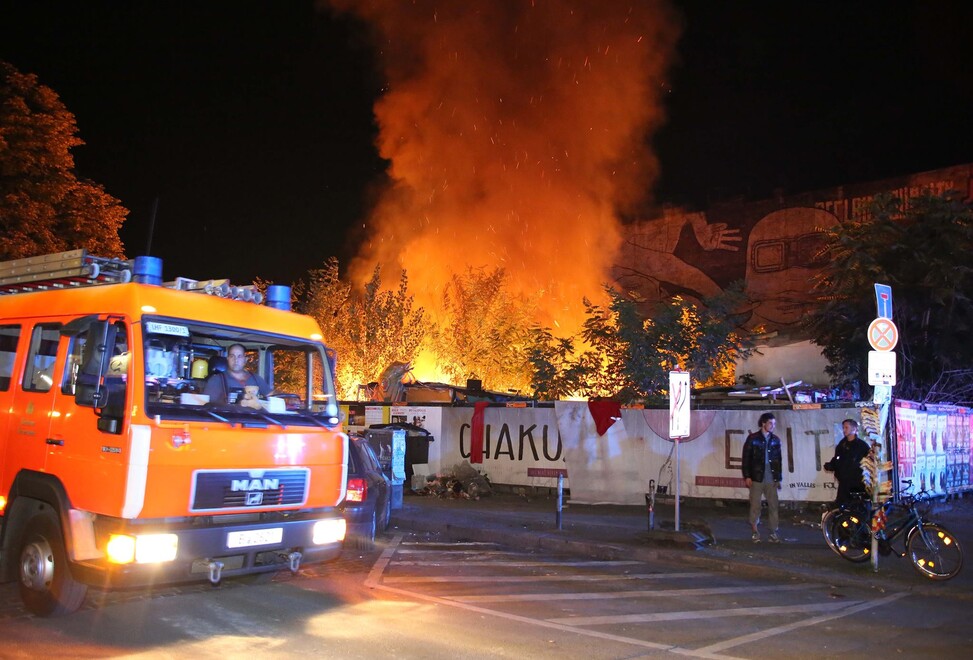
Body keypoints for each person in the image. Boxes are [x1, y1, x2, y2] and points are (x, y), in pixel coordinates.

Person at [741, 412, 783, 543]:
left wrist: (778, 477)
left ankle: (773, 532)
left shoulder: (775, 439)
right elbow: (746, 459)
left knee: (773, 505)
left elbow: (778, 460)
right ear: (763, 423)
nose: (772, 426)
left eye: (774, 424)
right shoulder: (753, 438)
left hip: (771, 476)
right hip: (756, 476)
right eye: (770, 423)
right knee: (755, 505)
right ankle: (755, 530)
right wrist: (747, 476)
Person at [203, 344, 271, 406]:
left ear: (245, 359)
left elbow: (272, 400)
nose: (236, 360)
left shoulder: (256, 379)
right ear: (228, 359)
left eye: (239, 356)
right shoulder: (216, 380)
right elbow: (206, 407)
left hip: (256, 419)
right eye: (232, 356)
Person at [823, 419, 871, 507]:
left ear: (854, 428)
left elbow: (870, 463)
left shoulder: (862, 446)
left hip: (858, 483)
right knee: (841, 508)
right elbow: (837, 459)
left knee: (857, 507)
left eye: (846, 427)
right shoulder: (842, 445)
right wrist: (831, 465)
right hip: (844, 484)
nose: (844, 430)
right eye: (843, 428)